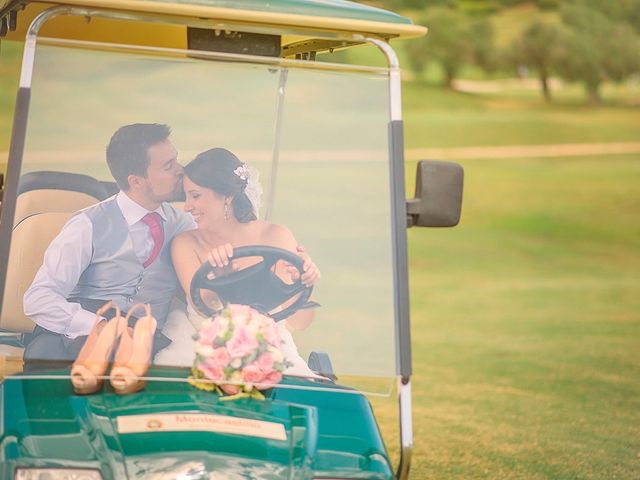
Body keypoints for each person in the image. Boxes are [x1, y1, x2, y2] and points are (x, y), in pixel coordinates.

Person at [23, 123, 195, 364]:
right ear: (136, 181)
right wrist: (100, 326)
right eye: (169, 166)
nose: (181, 171)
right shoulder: (87, 224)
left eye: (176, 160)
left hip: (146, 347)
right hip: (77, 342)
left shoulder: (185, 224)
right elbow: (38, 298)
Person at [155, 148, 320, 376]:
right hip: (199, 340)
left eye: (196, 195)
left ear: (227, 196)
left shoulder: (277, 235)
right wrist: (219, 280)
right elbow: (204, 308)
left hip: (266, 340)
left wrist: (301, 281)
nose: (187, 206)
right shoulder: (185, 243)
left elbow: (301, 322)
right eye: (186, 196)